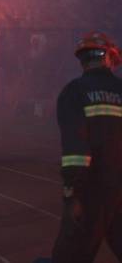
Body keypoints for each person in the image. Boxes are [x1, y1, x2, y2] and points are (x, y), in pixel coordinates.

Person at [51, 32, 122, 262]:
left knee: (69, 255)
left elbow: (75, 152)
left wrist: (72, 193)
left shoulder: (74, 92)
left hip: (93, 190)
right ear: (109, 58)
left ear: (82, 59)